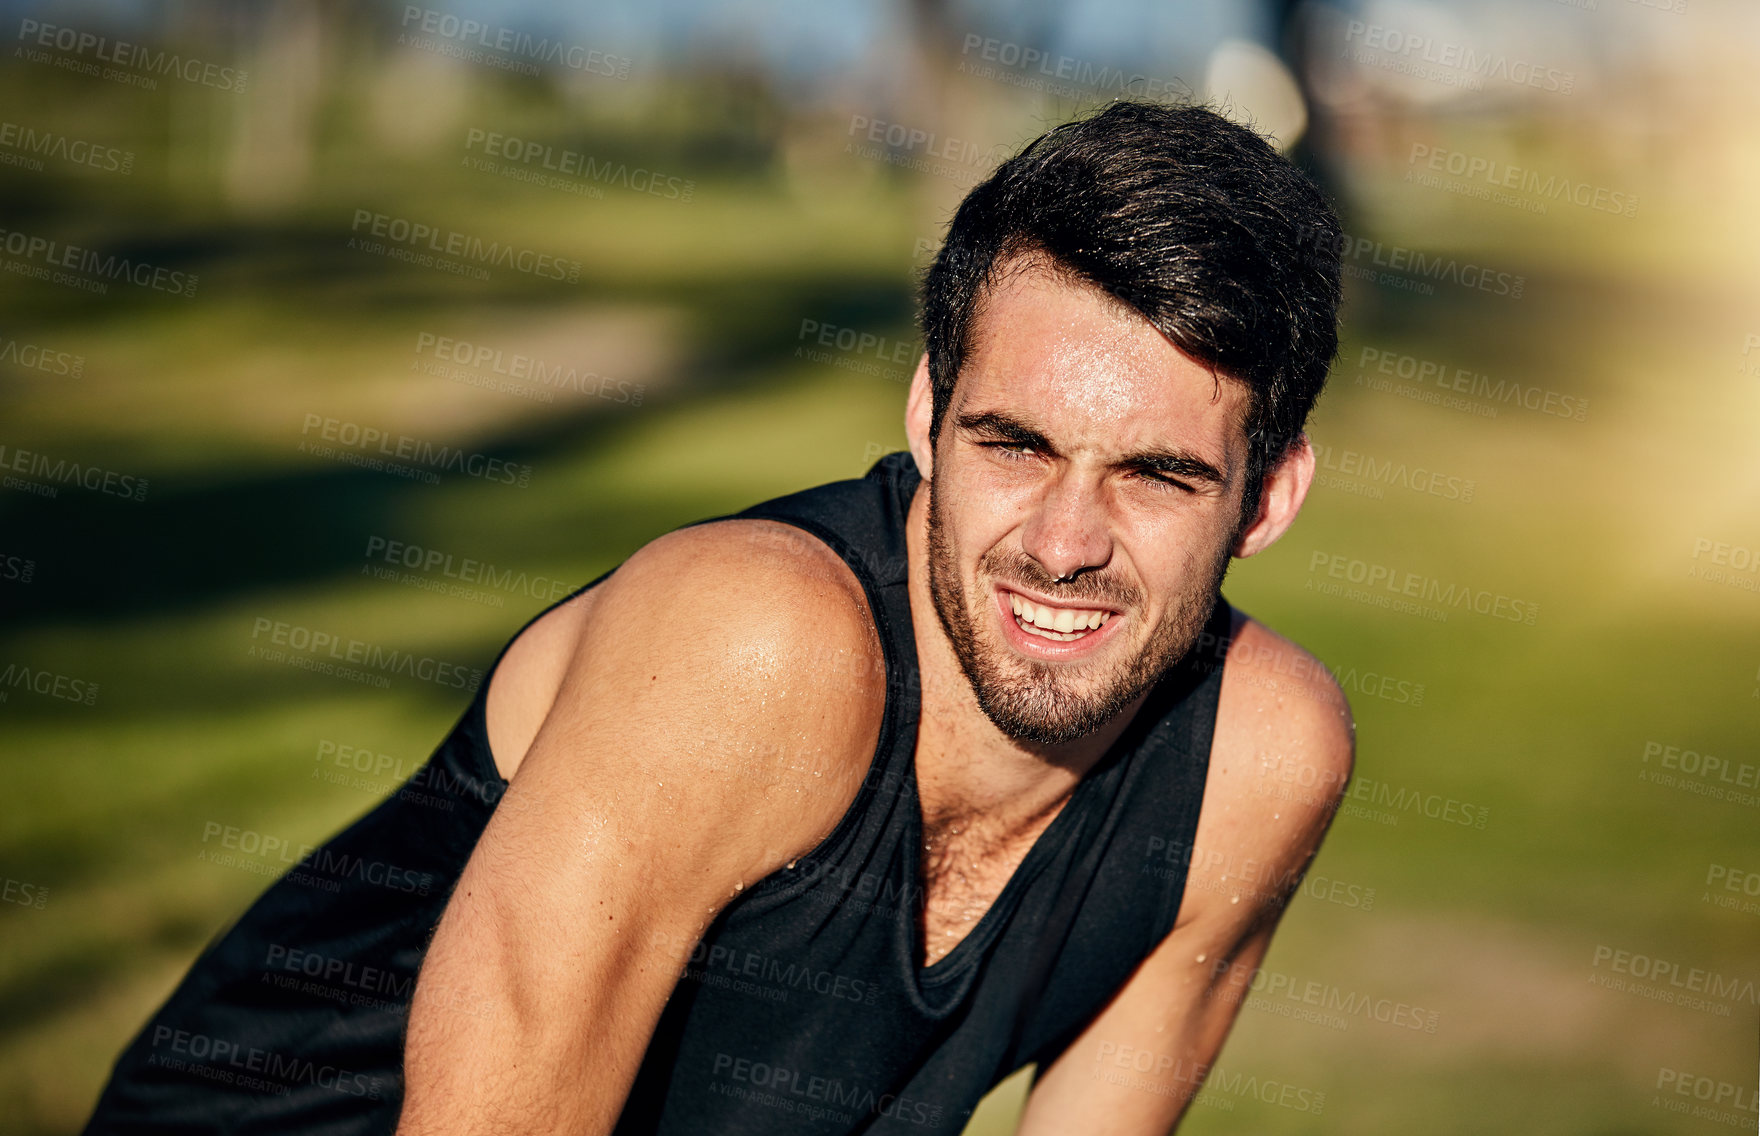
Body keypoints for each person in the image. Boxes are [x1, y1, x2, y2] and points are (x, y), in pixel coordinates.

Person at [82, 99, 1354, 1136]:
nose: (1061, 542)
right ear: (925, 416)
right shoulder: (751, 645)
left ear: (1266, 496)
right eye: (1011, 444)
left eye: (1155, 474)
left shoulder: (1258, 758)